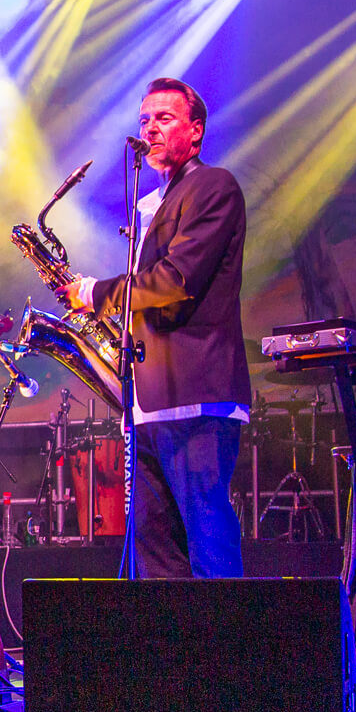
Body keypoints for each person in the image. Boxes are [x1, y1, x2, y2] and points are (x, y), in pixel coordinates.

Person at [64, 77, 253, 578]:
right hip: (149, 400)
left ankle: (231, 631)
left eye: (164, 118)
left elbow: (176, 280)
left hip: (196, 394)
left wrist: (95, 293)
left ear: (196, 131)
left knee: (207, 540)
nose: (150, 129)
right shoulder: (157, 200)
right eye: (144, 120)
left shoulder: (212, 186)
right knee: (155, 549)